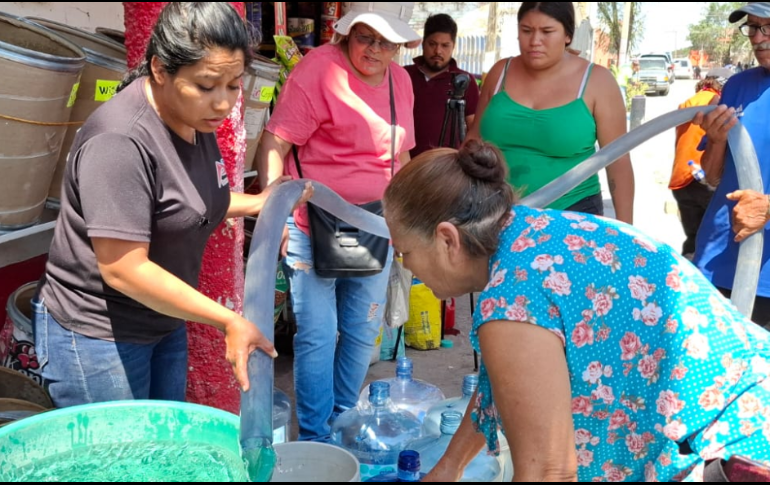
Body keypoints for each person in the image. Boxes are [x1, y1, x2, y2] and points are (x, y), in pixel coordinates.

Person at [383, 140, 770, 482]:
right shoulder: (531, 230)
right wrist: (449, 468)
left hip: (731, 455)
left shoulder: (513, 299)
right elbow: (506, 384)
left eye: (404, 253)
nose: (406, 267)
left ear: (447, 239)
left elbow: (549, 472)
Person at [34, 3, 311, 409]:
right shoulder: (121, 141)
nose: (223, 103)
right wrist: (228, 320)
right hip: (98, 337)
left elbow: (187, 200)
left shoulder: (193, 119)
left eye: (233, 85)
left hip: (161, 321)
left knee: (161, 452)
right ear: (160, 69)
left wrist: (256, 202)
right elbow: (123, 268)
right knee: (121, 464)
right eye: (206, 85)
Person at [256, 2, 419, 442]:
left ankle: (344, 422)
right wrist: (277, 210)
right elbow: (276, 140)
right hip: (313, 222)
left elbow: (400, 158)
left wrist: (407, 222)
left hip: (374, 223)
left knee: (364, 330)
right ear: (347, 35)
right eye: (366, 37)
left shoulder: (401, 81)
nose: (375, 49)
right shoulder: (317, 70)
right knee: (317, 335)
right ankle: (314, 435)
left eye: (387, 42)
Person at [469, 2, 635, 223]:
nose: (535, 41)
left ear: (568, 35)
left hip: (572, 214)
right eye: (526, 31)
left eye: (547, 32)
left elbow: (618, 162)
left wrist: (626, 232)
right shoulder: (500, 73)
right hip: (493, 212)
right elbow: (473, 140)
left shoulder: (597, 82)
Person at [692, 1, 770, 329]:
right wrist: (718, 141)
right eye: (752, 27)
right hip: (717, 262)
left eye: (767, 26)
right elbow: (712, 176)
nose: (757, 37)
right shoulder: (738, 86)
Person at [669, 69, 732, 259]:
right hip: (702, 178)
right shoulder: (716, 104)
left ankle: (687, 275)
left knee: (693, 236)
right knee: (712, 239)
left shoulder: (689, 102)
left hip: (680, 179)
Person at [405, 14, 480, 157]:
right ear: (423, 43)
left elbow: (473, 128)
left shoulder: (464, 81)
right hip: (406, 165)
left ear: (453, 46)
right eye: (432, 44)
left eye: (445, 45)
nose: (438, 51)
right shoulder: (404, 75)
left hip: (447, 168)